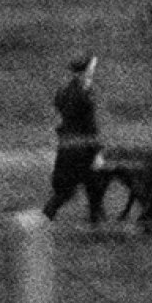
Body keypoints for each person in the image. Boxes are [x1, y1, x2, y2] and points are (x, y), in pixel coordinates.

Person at [42, 55, 107, 224]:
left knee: (67, 188)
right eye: (91, 68)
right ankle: (96, 220)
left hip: (67, 146)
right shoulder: (85, 96)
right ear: (84, 72)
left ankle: (49, 213)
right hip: (83, 148)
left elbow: (60, 106)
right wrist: (98, 152)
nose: (93, 71)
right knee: (95, 184)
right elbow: (90, 127)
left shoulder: (63, 92)